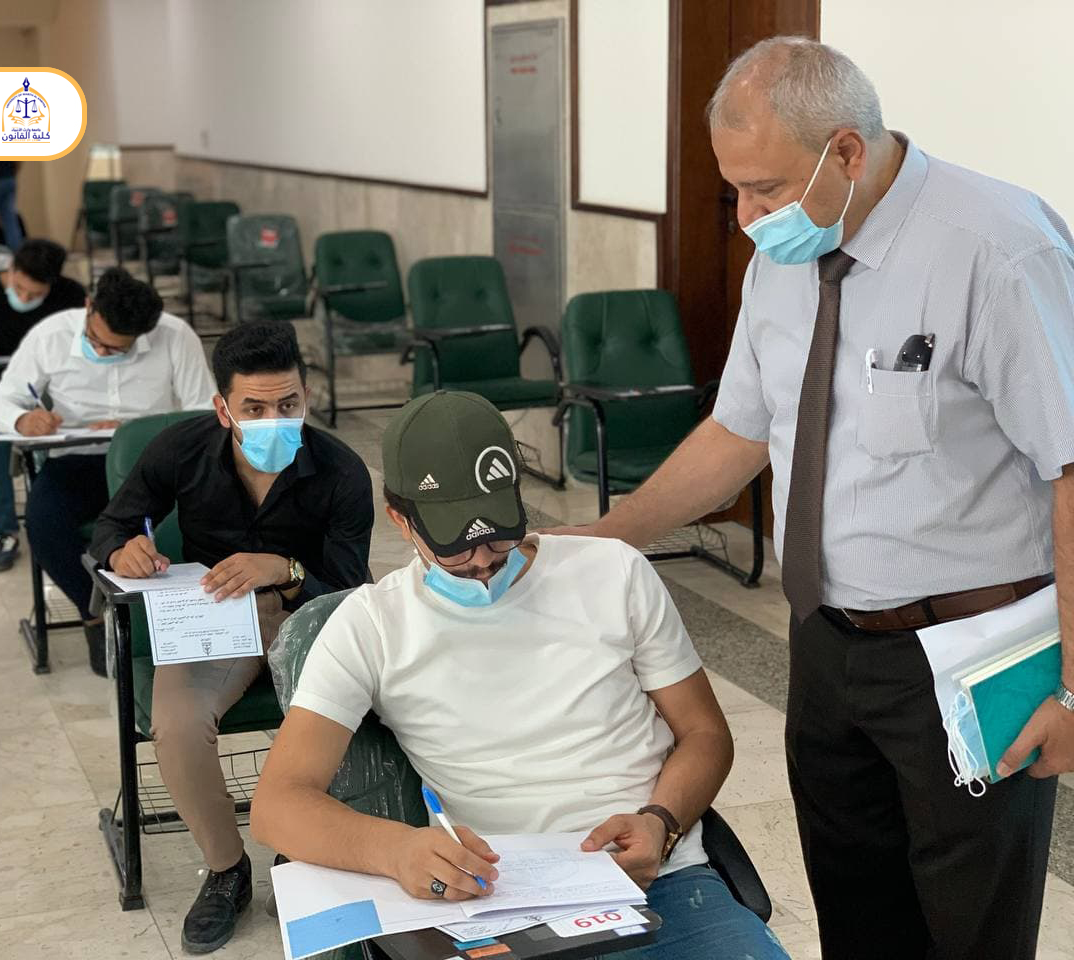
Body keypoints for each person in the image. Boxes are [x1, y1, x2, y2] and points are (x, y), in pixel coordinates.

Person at [549, 37, 1074, 960]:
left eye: (765, 190)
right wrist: (607, 534)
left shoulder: (997, 249)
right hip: (827, 647)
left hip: (968, 656)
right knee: (855, 908)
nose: (749, 218)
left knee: (972, 928)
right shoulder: (783, 260)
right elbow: (741, 432)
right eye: (734, 193)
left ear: (846, 151)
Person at [251, 391, 790, 960]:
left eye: (499, 534)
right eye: (456, 545)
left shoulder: (613, 571)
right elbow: (278, 804)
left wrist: (662, 822)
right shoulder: (371, 625)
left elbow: (705, 734)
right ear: (401, 521)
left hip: (655, 883)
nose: (483, 559)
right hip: (496, 897)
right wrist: (394, 850)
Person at [89, 320, 374, 955]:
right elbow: (110, 525)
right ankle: (226, 869)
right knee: (177, 723)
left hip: (311, 615)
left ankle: (313, 844)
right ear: (223, 410)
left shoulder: (341, 471)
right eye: (255, 409)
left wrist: (285, 571)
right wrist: (124, 548)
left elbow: (351, 588)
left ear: (307, 397)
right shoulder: (181, 450)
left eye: (289, 405)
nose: (275, 420)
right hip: (217, 618)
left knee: (369, 701)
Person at [0, 268, 216, 674]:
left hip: (148, 461)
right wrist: (23, 419)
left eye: (118, 349)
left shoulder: (175, 336)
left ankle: (170, 614)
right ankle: (95, 613)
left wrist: (135, 429)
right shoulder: (52, 335)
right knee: (43, 521)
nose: (105, 354)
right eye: (97, 342)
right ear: (89, 307)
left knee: (195, 519)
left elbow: (202, 414)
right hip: (78, 460)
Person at [0, 238, 87, 572]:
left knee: (74, 433)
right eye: (18, 288)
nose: (23, 298)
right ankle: (5, 530)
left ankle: (59, 518)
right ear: (10, 269)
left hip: (54, 387)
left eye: (34, 295)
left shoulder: (70, 294)